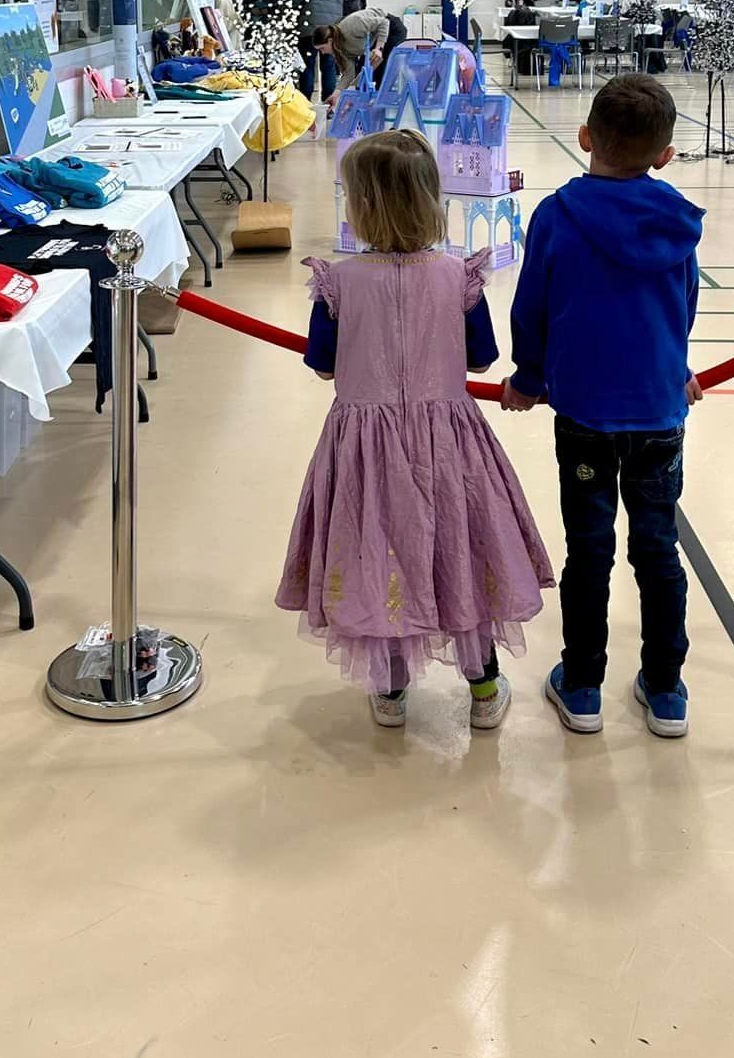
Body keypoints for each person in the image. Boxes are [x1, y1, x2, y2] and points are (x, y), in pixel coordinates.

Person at [276, 130, 553, 729]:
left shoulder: (339, 283)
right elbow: (481, 359)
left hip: (363, 452)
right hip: (448, 442)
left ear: (361, 206)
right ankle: (482, 690)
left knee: (381, 550)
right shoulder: (458, 277)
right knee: (458, 548)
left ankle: (392, 689)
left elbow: (323, 365)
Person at [503, 74, 704, 740]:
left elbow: (531, 307)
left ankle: (583, 683)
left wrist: (529, 376)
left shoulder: (558, 214)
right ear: (666, 154)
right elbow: (684, 305)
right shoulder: (675, 218)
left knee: (589, 549)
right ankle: (666, 687)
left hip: (585, 414)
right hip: (657, 413)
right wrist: (676, 368)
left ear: (585, 137)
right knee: (658, 549)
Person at [333, 4, 405, 84]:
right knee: (364, 68)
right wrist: (341, 90)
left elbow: (384, 22)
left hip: (391, 26)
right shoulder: (343, 41)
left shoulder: (353, 25)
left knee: (383, 69)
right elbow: (350, 73)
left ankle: (380, 91)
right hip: (375, 32)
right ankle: (363, 90)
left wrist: (379, 48)